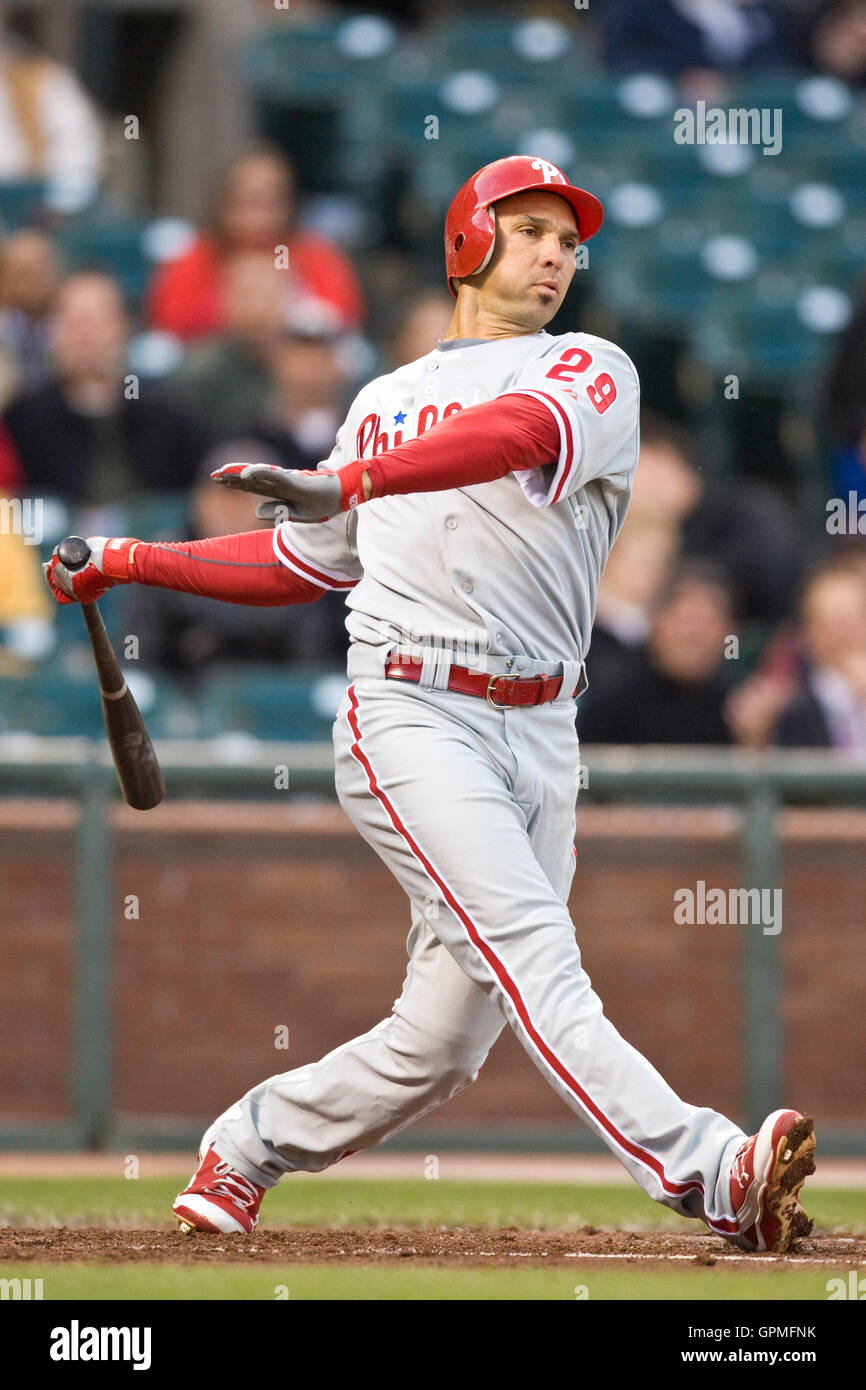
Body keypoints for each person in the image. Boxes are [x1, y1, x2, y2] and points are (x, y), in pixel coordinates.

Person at [45, 155, 815, 1253]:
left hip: (545, 727)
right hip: (412, 711)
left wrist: (356, 480)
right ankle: (711, 1166)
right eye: (531, 228)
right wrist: (127, 556)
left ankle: (250, 1141)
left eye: (568, 237)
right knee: (537, 954)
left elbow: (508, 437)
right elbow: (299, 563)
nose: (555, 252)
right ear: (468, 242)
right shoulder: (382, 400)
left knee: (445, 1037)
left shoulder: (592, 370)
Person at [0, 269, 204, 512]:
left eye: (97, 322)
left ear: (123, 327)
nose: (85, 336)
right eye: (73, 322)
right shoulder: (27, 416)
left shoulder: (161, 409)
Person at [146, 146, 364, 343]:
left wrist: (286, 316)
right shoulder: (197, 254)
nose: (257, 218)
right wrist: (232, 314)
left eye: (269, 203)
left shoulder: (315, 254)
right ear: (223, 205)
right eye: (246, 203)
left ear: (289, 206)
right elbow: (168, 322)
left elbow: (344, 317)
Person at [774, 556, 866, 749]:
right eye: (830, 624)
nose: (843, 635)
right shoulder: (791, 712)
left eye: (851, 620)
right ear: (808, 634)